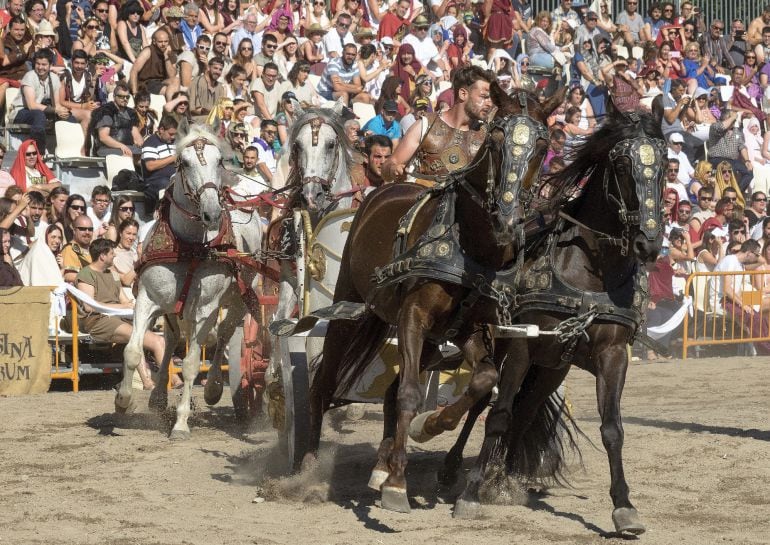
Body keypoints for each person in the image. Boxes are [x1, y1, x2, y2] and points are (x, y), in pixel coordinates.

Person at [382, 65, 492, 185]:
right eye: (484, 97)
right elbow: (388, 166)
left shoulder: (485, 135)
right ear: (463, 94)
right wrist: (394, 169)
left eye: (491, 98)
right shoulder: (425, 126)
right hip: (422, 199)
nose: (489, 103)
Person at [73, 238, 159, 389]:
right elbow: (89, 307)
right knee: (136, 336)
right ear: (102, 256)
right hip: (97, 321)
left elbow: (124, 300)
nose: (114, 256)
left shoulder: (112, 274)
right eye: (112, 253)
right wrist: (121, 306)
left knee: (152, 339)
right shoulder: (86, 275)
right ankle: (147, 381)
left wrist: (133, 307)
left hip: (117, 319)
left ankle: (163, 381)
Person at [7, 48, 69, 155]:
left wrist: (62, 112)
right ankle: (38, 153)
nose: (40, 67)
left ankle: (67, 153)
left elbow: (57, 104)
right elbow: (31, 105)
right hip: (21, 111)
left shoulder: (54, 78)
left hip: (41, 112)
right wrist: (54, 110)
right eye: (38, 64)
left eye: (44, 64)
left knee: (69, 117)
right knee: (39, 115)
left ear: (50, 65)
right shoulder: (30, 76)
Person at [92, 82, 143, 157]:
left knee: (147, 155)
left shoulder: (131, 113)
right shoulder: (107, 111)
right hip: (108, 149)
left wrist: (143, 146)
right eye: (121, 96)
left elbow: (136, 135)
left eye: (127, 97)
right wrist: (122, 146)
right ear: (114, 96)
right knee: (128, 156)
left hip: (128, 148)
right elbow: (103, 137)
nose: (125, 99)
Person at [141, 115, 178, 211]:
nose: (173, 137)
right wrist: (172, 158)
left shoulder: (175, 142)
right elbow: (150, 165)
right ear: (161, 130)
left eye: (175, 134)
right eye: (171, 134)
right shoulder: (150, 143)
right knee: (167, 184)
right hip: (155, 182)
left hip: (175, 178)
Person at [129, 27, 179, 96]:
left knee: (176, 80)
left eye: (166, 41)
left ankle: (172, 105)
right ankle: (170, 106)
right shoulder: (148, 51)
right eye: (160, 42)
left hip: (161, 81)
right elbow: (134, 70)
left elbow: (172, 75)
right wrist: (135, 93)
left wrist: (166, 56)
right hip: (147, 83)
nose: (163, 44)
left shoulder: (169, 53)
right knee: (168, 90)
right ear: (154, 41)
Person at [190, 56, 227, 121]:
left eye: (220, 69)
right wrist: (214, 112)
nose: (218, 72)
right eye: (215, 68)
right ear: (209, 68)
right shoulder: (197, 82)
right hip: (197, 122)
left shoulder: (220, 87)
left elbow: (222, 111)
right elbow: (194, 109)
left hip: (215, 124)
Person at [61, 214, 94, 283]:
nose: (87, 232)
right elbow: (68, 275)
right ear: (74, 231)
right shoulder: (70, 249)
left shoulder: (93, 249)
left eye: (90, 229)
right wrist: (96, 278)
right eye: (83, 229)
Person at [252, 119, 278, 184]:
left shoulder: (270, 147)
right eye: (269, 132)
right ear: (261, 131)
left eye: (275, 133)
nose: (272, 135)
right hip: (263, 183)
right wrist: (275, 184)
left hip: (273, 180)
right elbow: (262, 166)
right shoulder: (257, 145)